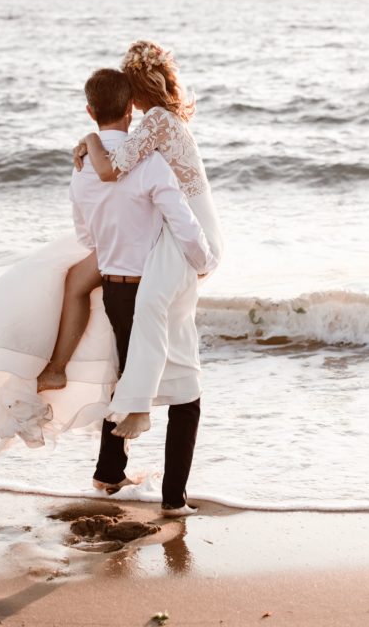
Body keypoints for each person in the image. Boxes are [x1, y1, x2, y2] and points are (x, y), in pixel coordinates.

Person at [37, 40, 223, 439]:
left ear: (135, 91)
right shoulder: (163, 120)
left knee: (151, 304)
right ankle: (98, 390)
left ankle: (137, 407)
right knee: (115, 292)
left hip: (191, 230)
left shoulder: (156, 121)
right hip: (180, 227)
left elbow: (110, 171)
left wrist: (90, 138)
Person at [70, 67, 217, 515]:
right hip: (152, 288)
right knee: (186, 392)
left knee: (126, 375)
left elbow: (85, 237)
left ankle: (109, 473)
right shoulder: (150, 164)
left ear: (91, 111)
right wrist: (204, 262)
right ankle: (174, 499)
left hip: (115, 291)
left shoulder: (80, 171)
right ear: (131, 109)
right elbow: (182, 222)